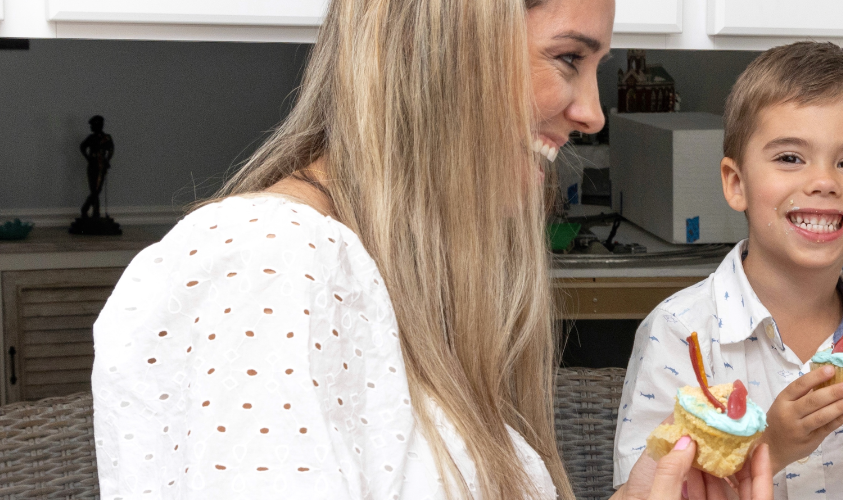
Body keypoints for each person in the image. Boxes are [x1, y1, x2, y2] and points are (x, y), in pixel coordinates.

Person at [88, 0, 761, 498]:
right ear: (443, 47)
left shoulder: (386, 275)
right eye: (567, 59)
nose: (592, 112)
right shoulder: (266, 261)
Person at [612, 42, 843, 500]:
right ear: (736, 183)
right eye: (790, 157)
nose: (824, 182)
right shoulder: (679, 332)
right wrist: (772, 445)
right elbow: (646, 493)